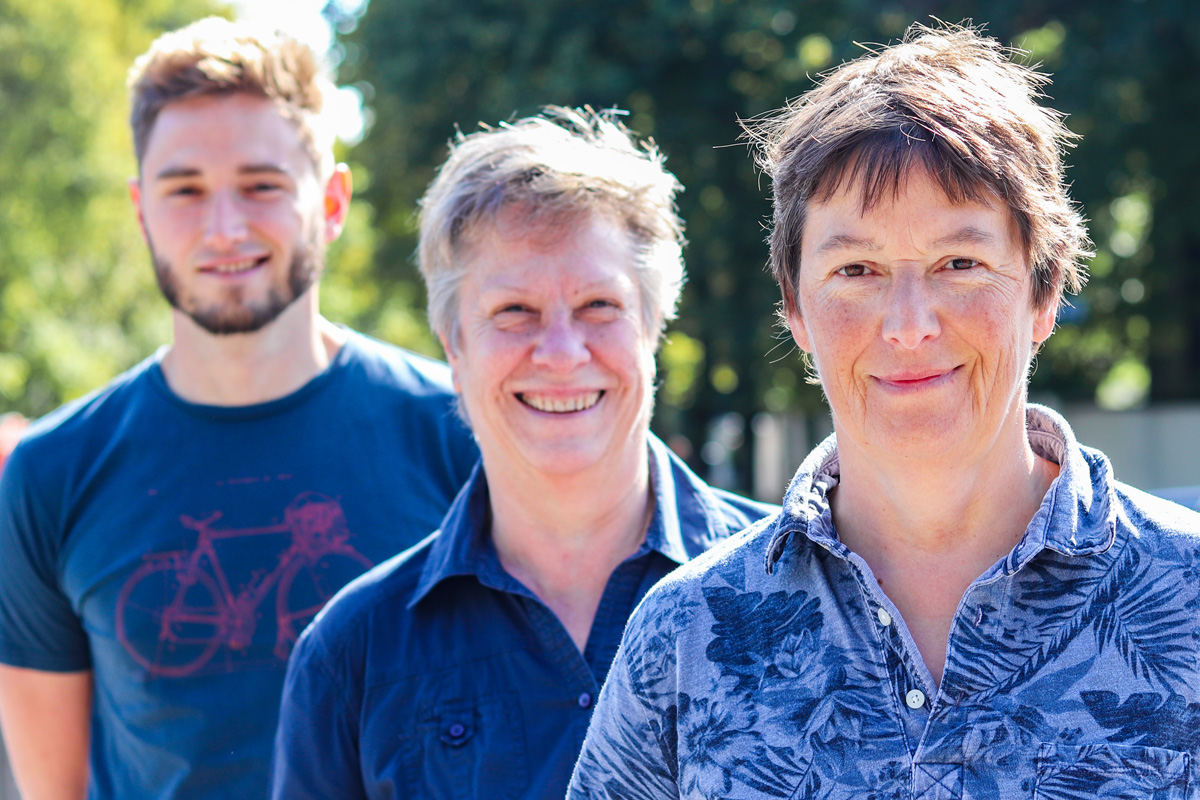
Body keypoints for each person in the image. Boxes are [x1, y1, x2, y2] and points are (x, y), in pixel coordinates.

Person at [569, 23, 1200, 799]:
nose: (909, 324)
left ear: (1043, 292)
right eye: (857, 269)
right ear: (796, 309)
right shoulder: (684, 638)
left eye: (959, 263)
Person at [0, 18, 478, 800]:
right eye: (184, 190)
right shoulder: (52, 474)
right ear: (141, 209)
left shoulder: (460, 434)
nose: (224, 229)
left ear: (329, 202)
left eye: (261, 185)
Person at [270, 107, 777, 800]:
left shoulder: (804, 588)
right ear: (455, 348)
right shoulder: (352, 657)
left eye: (600, 305)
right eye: (515, 312)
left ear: (654, 326)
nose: (563, 354)